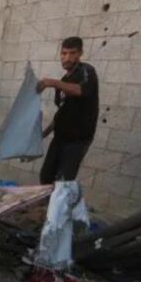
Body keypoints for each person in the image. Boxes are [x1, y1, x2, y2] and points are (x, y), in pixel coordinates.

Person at [37, 36, 99, 185]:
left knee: (64, 181)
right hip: (60, 138)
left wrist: (52, 83)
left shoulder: (87, 72)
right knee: (46, 177)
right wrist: (43, 134)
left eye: (72, 53)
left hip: (77, 140)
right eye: (64, 53)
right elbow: (61, 114)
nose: (67, 58)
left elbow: (79, 90)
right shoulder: (63, 80)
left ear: (80, 54)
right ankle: (47, 207)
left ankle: (60, 208)